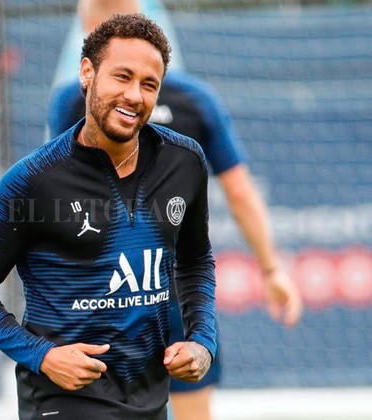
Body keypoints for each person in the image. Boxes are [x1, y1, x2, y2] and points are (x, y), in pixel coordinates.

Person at [46, 1, 304, 419]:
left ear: (88, 35)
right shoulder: (195, 98)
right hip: (176, 291)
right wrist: (271, 270)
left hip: (100, 296)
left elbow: (56, 195)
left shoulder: (74, 100)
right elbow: (240, 192)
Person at [0, 13, 217, 420]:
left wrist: (203, 341)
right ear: (87, 72)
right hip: (63, 402)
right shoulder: (32, 181)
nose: (134, 95)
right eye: (122, 77)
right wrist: (43, 356)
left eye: (149, 84)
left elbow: (196, 260)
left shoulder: (183, 161)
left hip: (149, 400)